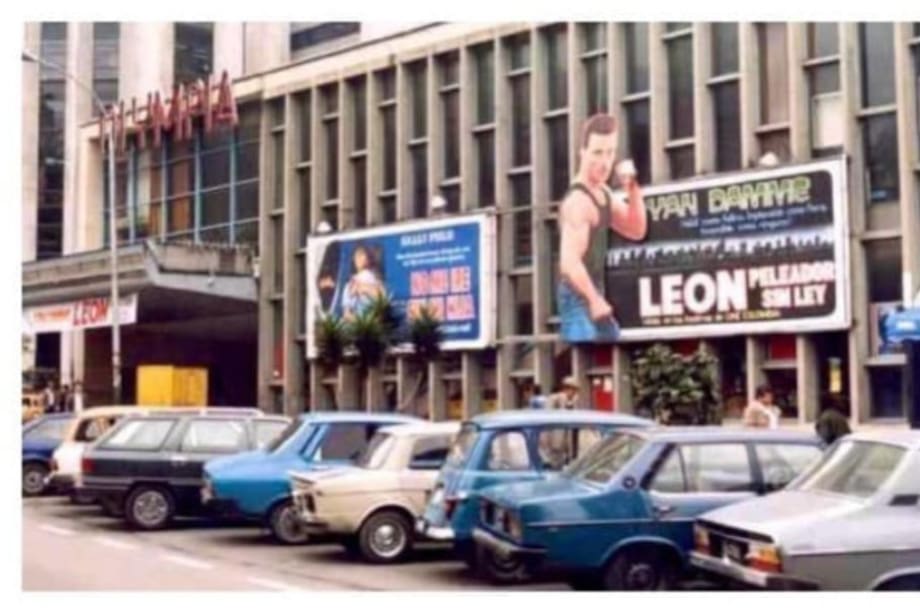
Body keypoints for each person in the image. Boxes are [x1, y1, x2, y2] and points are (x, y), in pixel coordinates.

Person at [558, 113, 648, 343]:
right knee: (588, 353)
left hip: (594, 293)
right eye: (597, 153)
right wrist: (593, 300)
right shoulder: (578, 201)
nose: (605, 162)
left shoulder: (604, 193)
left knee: (614, 345)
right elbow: (569, 262)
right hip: (577, 297)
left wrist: (632, 188)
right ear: (583, 153)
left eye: (610, 152)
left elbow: (636, 230)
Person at [342, 244, 385, 320]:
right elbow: (347, 314)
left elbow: (383, 304)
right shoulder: (351, 284)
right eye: (357, 256)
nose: (360, 259)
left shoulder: (377, 282)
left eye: (362, 255)